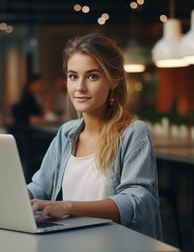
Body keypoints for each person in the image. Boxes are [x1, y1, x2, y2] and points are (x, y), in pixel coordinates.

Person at [27, 33, 162, 240]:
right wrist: (17, 195)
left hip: (115, 244)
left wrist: (68, 206)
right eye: (73, 76)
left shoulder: (133, 133)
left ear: (114, 80)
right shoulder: (67, 133)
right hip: (71, 241)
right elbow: (41, 187)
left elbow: (138, 201)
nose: (79, 87)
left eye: (92, 76)